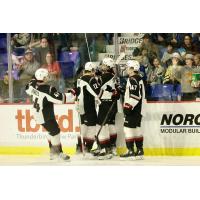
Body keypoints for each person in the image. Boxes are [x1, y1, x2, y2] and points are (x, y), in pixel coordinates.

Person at [25, 68, 74, 161]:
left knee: (50, 131)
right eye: (46, 76)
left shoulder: (32, 85)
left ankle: (53, 152)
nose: (48, 77)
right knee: (55, 131)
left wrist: (34, 79)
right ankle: (57, 153)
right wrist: (73, 93)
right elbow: (61, 99)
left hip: (37, 114)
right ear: (43, 78)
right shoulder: (48, 89)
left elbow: (27, 88)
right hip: (45, 115)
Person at [120, 60, 146, 160]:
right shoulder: (138, 78)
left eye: (128, 67)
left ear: (132, 69)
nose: (127, 69)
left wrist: (128, 107)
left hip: (134, 109)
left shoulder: (132, 79)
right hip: (139, 109)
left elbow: (136, 95)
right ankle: (140, 151)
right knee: (136, 129)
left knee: (127, 128)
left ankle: (130, 151)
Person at [96, 57, 120, 159]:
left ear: (107, 66)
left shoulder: (104, 76)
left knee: (101, 126)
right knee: (111, 124)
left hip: (105, 104)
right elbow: (116, 90)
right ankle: (112, 147)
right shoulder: (114, 76)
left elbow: (98, 89)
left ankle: (105, 149)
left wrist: (96, 77)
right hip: (113, 104)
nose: (102, 66)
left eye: (103, 65)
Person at [75, 62, 101, 155]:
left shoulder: (79, 79)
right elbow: (98, 92)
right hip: (88, 107)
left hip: (80, 106)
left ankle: (79, 147)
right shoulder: (91, 79)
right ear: (92, 70)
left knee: (83, 127)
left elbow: (76, 92)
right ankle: (88, 148)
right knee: (91, 127)